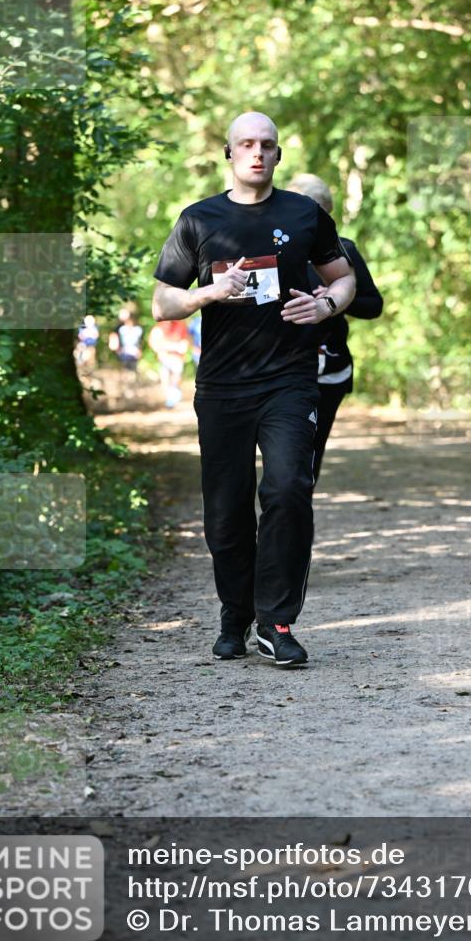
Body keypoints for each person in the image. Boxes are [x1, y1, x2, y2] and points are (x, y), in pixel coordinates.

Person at [152, 111, 356, 667]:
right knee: (226, 512)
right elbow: (163, 303)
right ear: (229, 153)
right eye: (246, 144)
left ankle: (276, 621)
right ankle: (234, 613)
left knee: (289, 489)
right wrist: (209, 292)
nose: (257, 153)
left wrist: (325, 305)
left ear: (278, 154)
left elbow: (343, 277)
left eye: (267, 144)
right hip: (222, 386)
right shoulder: (198, 220)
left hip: (289, 380)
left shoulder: (305, 214)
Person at [287, 174, 383, 481]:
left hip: (328, 371)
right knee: (285, 455)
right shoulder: (273, 250)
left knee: (309, 454)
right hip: (279, 368)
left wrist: (336, 300)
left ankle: (297, 509)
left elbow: (373, 305)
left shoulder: (344, 250)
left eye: (316, 213)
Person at [148, 318, 189, 408]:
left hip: (177, 360)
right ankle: (170, 399)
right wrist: (174, 346)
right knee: (165, 380)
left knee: (175, 379)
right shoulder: (157, 330)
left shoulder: (179, 326)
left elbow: (184, 346)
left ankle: (174, 397)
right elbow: (155, 346)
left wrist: (165, 346)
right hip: (164, 360)